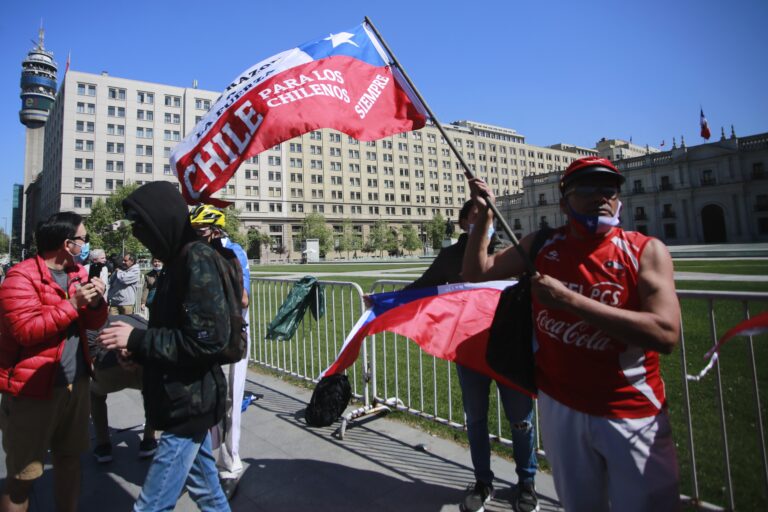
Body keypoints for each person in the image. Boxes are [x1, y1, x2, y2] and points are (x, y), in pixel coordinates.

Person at [462, 156, 681, 512]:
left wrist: (569, 301)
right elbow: (476, 272)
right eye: (587, 189)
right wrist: (485, 216)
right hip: (560, 407)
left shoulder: (644, 250)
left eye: (609, 190)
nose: (601, 198)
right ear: (564, 203)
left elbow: (666, 333)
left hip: (630, 411)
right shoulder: (541, 245)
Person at [98, 181, 230, 511]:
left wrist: (138, 339)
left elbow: (209, 340)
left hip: (189, 402)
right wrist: (139, 352)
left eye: (142, 227)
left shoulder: (196, 259)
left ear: (161, 221)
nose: (140, 236)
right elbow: (174, 330)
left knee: (150, 506)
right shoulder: (174, 261)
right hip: (175, 399)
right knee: (209, 494)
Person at [404, 200, 539, 512]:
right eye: (476, 216)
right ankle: (482, 481)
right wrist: (384, 302)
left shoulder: (511, 252)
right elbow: (423, 286)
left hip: (510, 350)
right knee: (475, 420)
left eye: (488, 215)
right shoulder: (452, 257)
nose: (484, 221)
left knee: (521, 421)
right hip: (470, 350)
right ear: (464, 223)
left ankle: (527, 482)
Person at [0, 211, 107, 512]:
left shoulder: (78, 273)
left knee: (70, 461)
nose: (86, 245)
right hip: (32, 392)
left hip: (77, 383)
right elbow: (25, 331)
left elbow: (92, 323)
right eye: (83, 239)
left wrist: (97, 303)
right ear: (66, 243)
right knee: (23, 477)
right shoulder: (20, 277)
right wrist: (73, 304)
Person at [189, 204, 251, 500]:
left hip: (230, 335)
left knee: (229, 397)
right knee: (204, 396)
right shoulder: (195, 252)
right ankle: (204, 454)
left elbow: (244, 299)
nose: (196, 235)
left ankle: (231, 461)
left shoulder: (232, 252)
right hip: (202, 335)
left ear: (215, 229)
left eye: (201, 229)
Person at [89, 314, 157, 463]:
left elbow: (90, 348)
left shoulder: (96, 322)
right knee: (151, 391)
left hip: (109, 369)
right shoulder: (138, 319)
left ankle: (103, 445)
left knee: (95, 394)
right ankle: (149, 439)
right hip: (142, 364)